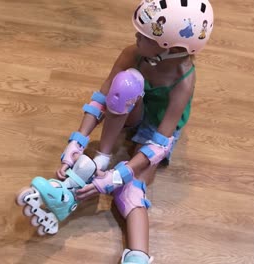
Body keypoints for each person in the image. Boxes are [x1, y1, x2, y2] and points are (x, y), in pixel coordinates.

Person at [58, 0, 214, 263]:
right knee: (126, 83)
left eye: (145, 35)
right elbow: (102, 97)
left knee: (131, 189)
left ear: (170, 48)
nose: (136, 35)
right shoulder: (133, 53)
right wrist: (78, 140)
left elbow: (160, 143)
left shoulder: (184, 80)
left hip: (157, 131)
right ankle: (98, 160)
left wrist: (118, 176)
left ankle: (138, 255)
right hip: (134, 108)